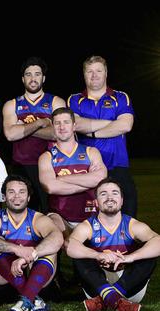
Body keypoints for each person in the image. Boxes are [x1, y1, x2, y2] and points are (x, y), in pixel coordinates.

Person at [66, 178, 160, 311]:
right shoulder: (88, 226)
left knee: (149, 253)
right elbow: (70, 247)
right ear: (96, 202)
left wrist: (129, 257)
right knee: (80, 252)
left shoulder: (132, 225)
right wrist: (97, 255)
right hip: (97, 285)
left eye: (115, 193)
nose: (109, 197)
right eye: (103, 194)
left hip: (129, 286)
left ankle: (104, 300)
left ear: (122, 200)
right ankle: (116, 301)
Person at [0, 175, 63, 311]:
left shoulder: (38, 218)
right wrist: (16, 249)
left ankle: (26, 301)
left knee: (50, 247)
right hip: (4, 285)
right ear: (4, 197)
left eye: (22, 192)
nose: (17, 196)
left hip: (36, 280)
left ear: (29, 197)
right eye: (11, 192)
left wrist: (31, 254)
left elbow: (57, 239)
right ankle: (32, 298)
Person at [68, 56, 137, 217]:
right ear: (84, 74)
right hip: (86, 167)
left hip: (117, 164)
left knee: (127, 215)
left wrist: (91, 132)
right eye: (89, 71)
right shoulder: (74, 99)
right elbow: (76, 125)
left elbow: (125, 125)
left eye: (99, 70)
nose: (94, 75)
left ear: (106, 73)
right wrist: (112, 123)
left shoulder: (120, 97)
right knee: (89, 219)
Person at [3, 57, 65, 212]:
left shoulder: (56, 102)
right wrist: (40, 123)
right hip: (21, 166)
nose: (33, 78)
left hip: (51, 165)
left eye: (37, 74)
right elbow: (10, 134)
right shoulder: (12, 104)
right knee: (24, 212)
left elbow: (57, 134)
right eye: (28, 74)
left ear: (43, 78)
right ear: (23, 79)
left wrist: (22, 128)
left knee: (49, 211)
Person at [38, 107, 107, 237]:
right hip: (61, 216)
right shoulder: (46, 157)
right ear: (52, 127)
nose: (62, 127)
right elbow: (51, 187)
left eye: (66, 122)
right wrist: (87, 180)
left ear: (74, 126)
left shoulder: (91, 152)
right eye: (57, 123)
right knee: (51, 227)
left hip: (91, 215)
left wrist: (61, 179)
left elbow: (100, 178)